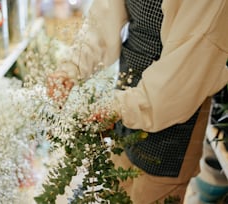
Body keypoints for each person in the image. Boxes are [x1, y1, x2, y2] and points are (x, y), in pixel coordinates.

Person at [47, 0, 228, 203]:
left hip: (175, 110)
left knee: (151, 193)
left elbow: (186, 70)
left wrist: (119, 108)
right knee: (115, 187)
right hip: (128, 90)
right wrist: (72, 68)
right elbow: (105, 15)